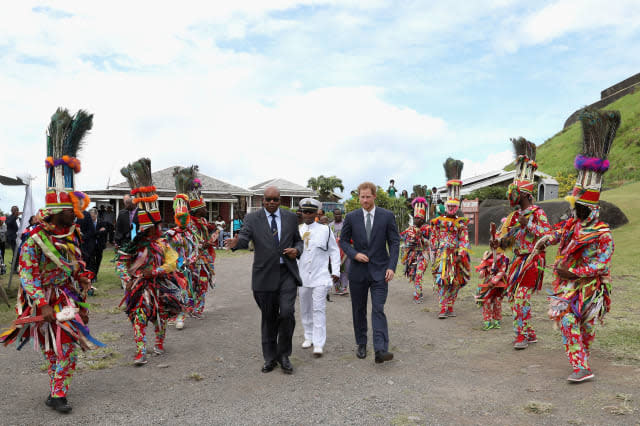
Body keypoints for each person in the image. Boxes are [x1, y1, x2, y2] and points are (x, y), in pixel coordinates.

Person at [0, 107, 101, 414]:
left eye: (75, 211)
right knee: (52, 348)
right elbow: (27, 275)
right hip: (41, 300)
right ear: (56, 211)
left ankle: (57, 393)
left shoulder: (71, 234)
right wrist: (41, 303)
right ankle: (56, 387)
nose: (75, 215)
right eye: (69, 212)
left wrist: (81, 279)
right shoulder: (34, 241)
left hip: (66, 297)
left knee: (66, 347)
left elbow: (75, 263)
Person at [535, 109, 619, 382]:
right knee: (567, 321)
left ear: (591, 207)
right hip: (566, 289)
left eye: (580, 207)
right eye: (575, 206)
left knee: (586, 328)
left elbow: (602, 263)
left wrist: (576, 273)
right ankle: (581, 366)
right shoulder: (571, 224)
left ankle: (582, 358)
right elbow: (558, 233)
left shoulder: (602, 233)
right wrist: (546, 239)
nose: (576, 211)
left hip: (591, 289)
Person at [225, 186, 304, 375]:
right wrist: (236, 244)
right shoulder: (252, 218)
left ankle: (284, 355)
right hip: (264, 275)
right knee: (269, 317)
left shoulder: (291, 218)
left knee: (286, 313)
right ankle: (270, 358)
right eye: (267, 199)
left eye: (275, 199)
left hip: (287, 273)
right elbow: (244, 237)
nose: (271, 203)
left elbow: (298, 241)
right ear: (262, 200)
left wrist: (297, 250)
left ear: (280, 200)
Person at [117, 158, 183, 365]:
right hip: (138, 287)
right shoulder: (133, 246)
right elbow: (121, 262)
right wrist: (128, 277)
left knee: (160, 316)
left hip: (160, 286)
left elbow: (173, 263)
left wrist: (154, 272)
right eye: (147, 229)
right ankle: (140, 351)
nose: (151, 231)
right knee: (138, 316)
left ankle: (159, 343)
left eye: (153, 228)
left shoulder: (163, 244)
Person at [491, 138, 550, 350]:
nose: (511, 195)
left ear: (524, 193)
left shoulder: (538, 213)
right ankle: (530, 332)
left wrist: (530, 225)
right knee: (515, 298)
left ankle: (521, 336)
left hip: (533, 262)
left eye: (515, 191)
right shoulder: (514, 216)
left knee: (521, 299)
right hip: (518, 262)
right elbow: (509, 240)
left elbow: (548, 237)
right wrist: (497, 241)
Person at [339, 182, 399, 364]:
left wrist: (391, 267)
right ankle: (362, 344)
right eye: (362, 197)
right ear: (359, 197)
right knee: (359, 310)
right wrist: (354, 254)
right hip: (357, 272)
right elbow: (343, 241)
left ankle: (381, 349)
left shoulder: (387, 216)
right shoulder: (351, 217)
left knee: (378, 308)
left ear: (374, 197)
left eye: (368, 197)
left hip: (381, 271)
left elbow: (394, 243)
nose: (364, 200)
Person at [297, 198, 340, 357]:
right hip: (302, 276)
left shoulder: (325, 230)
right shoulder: (298, 230)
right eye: (305, 212)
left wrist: (335, 271)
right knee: (305, 308)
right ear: (302, 213)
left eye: (311, 212)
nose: (307, 215)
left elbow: (334, 251)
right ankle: (308, 336)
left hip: (320, 275)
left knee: (319, 308)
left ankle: (319, 342)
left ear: (316, 213)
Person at [430, 159, 470, 318]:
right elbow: (434, 238)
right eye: (450, 205)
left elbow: (464, 238)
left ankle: (450, 306)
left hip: (456, 256)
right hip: (442, 255)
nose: (452, 208)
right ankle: (442, 308)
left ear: (458, 207)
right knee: (442, 281)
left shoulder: (461, 223)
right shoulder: (438, 222)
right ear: (446, 205)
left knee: (456, 281)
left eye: (455, 206)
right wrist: (433, 253)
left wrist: (461, 252)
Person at [187, 172, 218, 318]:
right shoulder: (190, 224)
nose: (206, 210)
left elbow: (206, 238)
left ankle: (198, 310)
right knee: (192, 284)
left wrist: (211, 238)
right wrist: (202, 246)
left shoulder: (204, 223)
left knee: (203, 283)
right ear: (197, 210)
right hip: (193, 260)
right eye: (204, 208)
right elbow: (189, 242)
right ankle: (190, 308)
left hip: (204, 260)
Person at [475, 220, 509, 330]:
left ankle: (496, 319)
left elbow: (502, 270)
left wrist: (493, 281)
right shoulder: (487, 255)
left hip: (499, 284)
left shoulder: (504, 258)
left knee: (497, 301)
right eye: (491, 243)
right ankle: (487, 320)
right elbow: (484, 265)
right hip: (487, 282)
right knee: (486, 301)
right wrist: (482, 271)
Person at [400, 197, 430, 304]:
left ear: (423, 219)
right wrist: (409, 243)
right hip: (412, 255)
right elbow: (405, 240)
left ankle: (417, 296)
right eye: (416, 218)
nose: (418, 220)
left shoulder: (427, 229)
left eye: (420, 219)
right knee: (414, 274)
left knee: (419, 273)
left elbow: (429, 243)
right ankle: (419, 291)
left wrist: (421, 238)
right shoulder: (410, 229)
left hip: (423, 255)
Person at [80, 208, 107, 283]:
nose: (92, 218)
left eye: (93, 216)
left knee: (98, 260)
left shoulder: (102, 222)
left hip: (99, 245)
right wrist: (98, 232)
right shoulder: (88, 223)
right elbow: (91, 233)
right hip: (90, 245)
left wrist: (96, 233)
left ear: (96, 215)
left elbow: (105, 232)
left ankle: (95, 274)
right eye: (90, 216)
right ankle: (93, 276)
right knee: (92, 261)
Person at [330, 208, 349, 295]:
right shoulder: (330, 226)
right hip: (334, 252)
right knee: (335, 269)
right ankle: (337, 288)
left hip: (345, 252)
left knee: (345, 269)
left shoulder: (346, 224)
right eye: (336, 214)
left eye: (340, 214)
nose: (338, 216)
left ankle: (344, 288)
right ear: (333, 215)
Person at [6, 205, 20, 273]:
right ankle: (14, 269)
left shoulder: (19, 219)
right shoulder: (9, 217)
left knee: (18, 253)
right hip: (12, 238)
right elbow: (9, 223)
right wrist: (15, 216)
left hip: (19, 238)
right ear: (12, 211)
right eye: (14, 210)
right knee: (16, 253)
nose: (16, 211)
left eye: (17, 210)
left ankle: (15, 267)